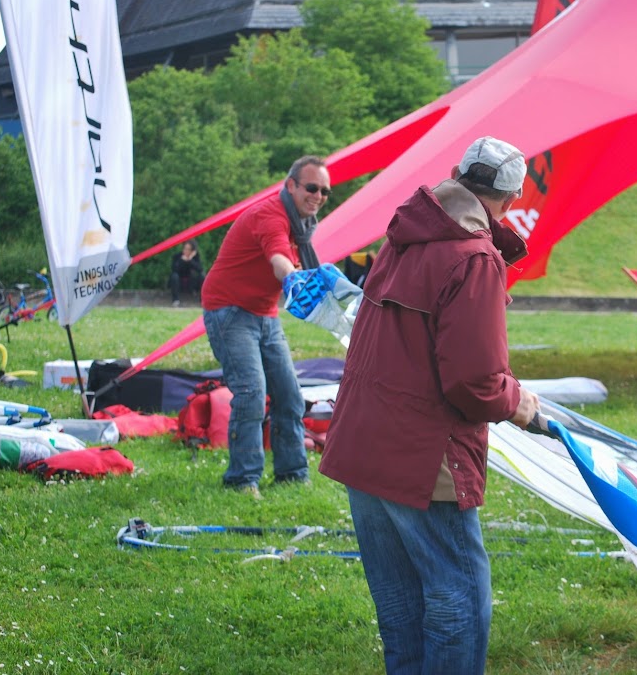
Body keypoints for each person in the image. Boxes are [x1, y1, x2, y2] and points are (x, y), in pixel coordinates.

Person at [319, 136, 540, 675]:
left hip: (362, 442)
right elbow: (477, 383)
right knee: (457, 595)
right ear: (510, 198)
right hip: (421, 456)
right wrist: (523, 404)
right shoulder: (474, 255)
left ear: (458, 176)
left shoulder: (403, 235)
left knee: (398, 600)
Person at [200, 156, 330, 499]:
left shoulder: (302, 228)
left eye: (325, 191)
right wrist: (293, 280)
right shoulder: (271, 216)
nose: (318, 196)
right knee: (251, 394)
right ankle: (243, 481)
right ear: (291, 186)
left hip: (264, 314)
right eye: (312, 188)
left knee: (289, 396)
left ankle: (292, 474)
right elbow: (278, 259)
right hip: (229, 311)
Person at [168, 240, 203, 306]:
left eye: (188, 249)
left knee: (202, 276)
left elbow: (200, 269)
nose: (186, 251)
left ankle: (202, 300)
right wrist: (182, 261)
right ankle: (176, 300)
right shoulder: (177, 256)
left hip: (192, 282)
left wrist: (190, 260)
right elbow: (174, 269)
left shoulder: (195, 257)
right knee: (174, 276)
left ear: (192, 251)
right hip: (179, 281)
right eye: (185, 248)